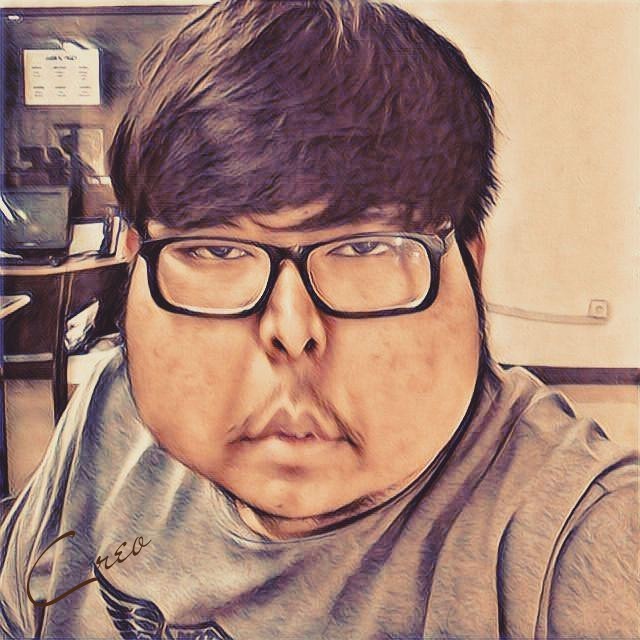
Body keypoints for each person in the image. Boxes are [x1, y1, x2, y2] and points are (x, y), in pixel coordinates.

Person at [0, 1, 638, 638]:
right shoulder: (109, 408)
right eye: (216, 249)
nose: (291, 327)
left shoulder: (581, 538)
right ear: (137, 266)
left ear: (469, 267)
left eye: (365, 247)